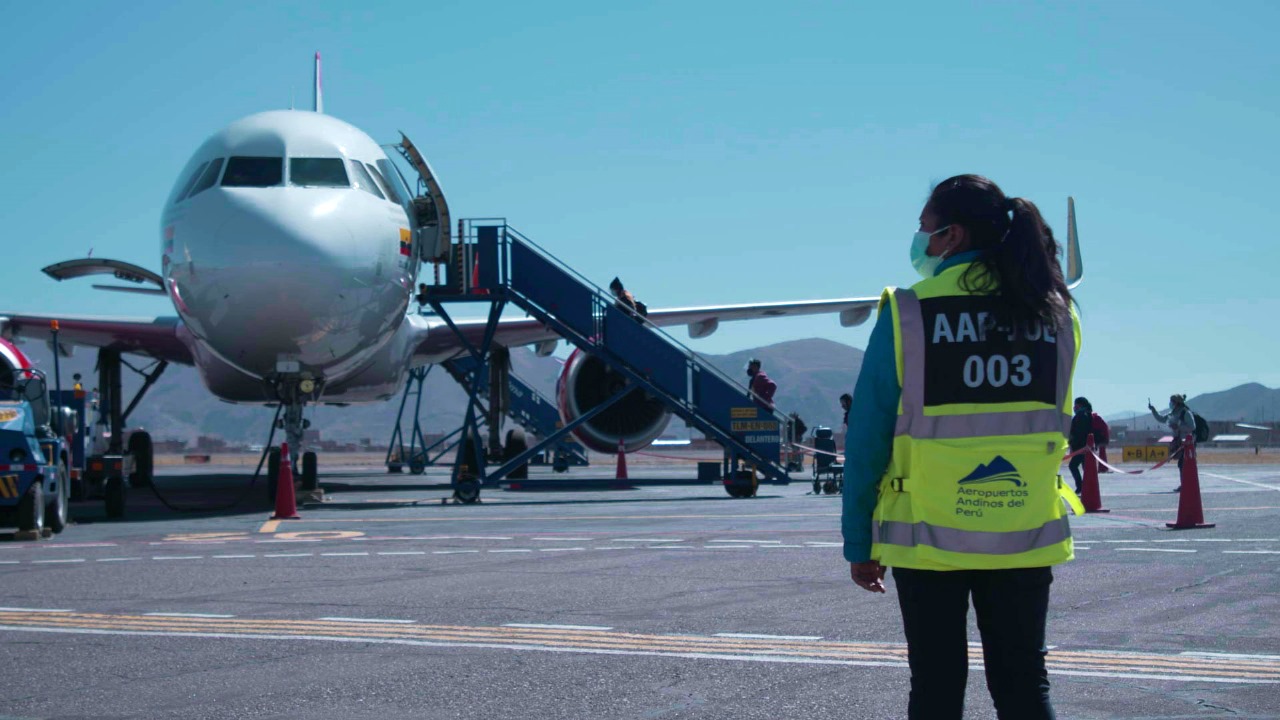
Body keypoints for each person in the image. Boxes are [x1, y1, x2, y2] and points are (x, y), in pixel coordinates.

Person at [843, 174, 1080, 719]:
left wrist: (861, 541)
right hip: (1025, 533)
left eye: (925, 229)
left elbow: (869, 437)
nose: (919, 241)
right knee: (1024, 683)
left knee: (936, 685)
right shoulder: (1059, 315)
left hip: (928, 538)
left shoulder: (908, 311)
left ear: (952, 236)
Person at [1150, 393, 1195, 490]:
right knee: (1181, 464)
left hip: (1186, 443)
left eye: (1172, 401)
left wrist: (1179, 427)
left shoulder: (1185, 413)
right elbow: (1161, 419)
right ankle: (1185, 484)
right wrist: (1153, 410)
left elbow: (1192, 426)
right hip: (1178, 441)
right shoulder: (1173, 413)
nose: (1170, 403)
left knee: (1184, 464)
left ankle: (1187, 485)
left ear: (1177, 403)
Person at [1068, 397, 1093, 494]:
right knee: (1085, 468)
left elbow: (1078, 433)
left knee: (1073, 466)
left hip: (1081, 447)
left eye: (1076, 405)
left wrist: (1073, 445)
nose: (1074, 407)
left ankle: (1080, 486)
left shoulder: (1081, 416)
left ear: (1080, 405)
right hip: (1085, 446)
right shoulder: (1087, 414)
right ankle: (1087, 488)